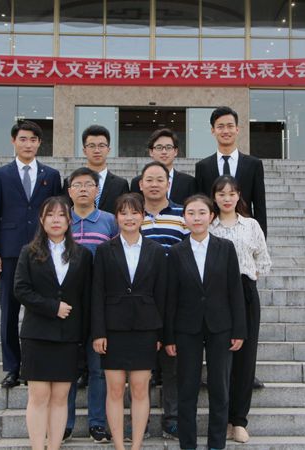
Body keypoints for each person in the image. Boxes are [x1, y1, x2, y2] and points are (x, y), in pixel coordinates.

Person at [165, 194, 246, 450]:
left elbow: (235, 290)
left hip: (220, 326)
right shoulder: (176, 252)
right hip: (186, 327)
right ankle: (188, 444)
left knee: (219, 387)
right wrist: (168, 336)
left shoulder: (225, 248)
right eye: (191, 213)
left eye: (202, 213)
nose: (197, 218)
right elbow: (170, 296)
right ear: (184, 218)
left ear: (211, 216)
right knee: (187, 387)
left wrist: (239, 329)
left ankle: (216, 444)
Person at [0, 120, 62, 389]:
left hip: (42, 251)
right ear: (13, 141)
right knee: (9, 311)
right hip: (9, 252)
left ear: (40, 143)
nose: (28, 144)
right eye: (23, 139)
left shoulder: (51, 175)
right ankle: (12, 367)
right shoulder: (0, 175)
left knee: (39, 310)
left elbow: (57, 212)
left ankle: (34, 366)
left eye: (33, 139)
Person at [14, 196, 93, 450]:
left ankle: (55, 446)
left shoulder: (82, 255)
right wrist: (52, 307)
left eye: (61, 215)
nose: (56, 220)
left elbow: (86, 297)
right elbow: (21, 290)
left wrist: (84, 336)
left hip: (68, 336)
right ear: (41, 219)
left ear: (69, 221)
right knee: (38, 396)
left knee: (61, 397)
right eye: (50, 215)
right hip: (37, 334)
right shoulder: (29, 252)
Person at [92, 193, 167, 450]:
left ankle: (136, 445)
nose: (129, 218)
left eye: (134, 212)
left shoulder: (156, 250)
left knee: (139, 389)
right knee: (114, 389)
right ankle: (118, 445)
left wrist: (161, 334)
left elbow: (162, 295)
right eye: (123, 213)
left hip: (146, 328)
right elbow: (97, 293)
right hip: (113, 329)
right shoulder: (104, 250)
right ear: (116, 218)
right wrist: (98, 332)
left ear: (143, 216)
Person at [209, 175, 272, 444]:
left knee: (245, 359)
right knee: (220, 361)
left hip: (245, 292)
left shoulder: (251, 225)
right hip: (216, 294)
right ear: (214, 197)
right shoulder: (208, 225)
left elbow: (264, 261)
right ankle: (222, 420)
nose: (227, 198)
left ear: (238, 196)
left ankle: (239, 420)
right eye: (221, 194)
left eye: (231, 193)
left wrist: (250, 276)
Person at [63, 167, 118, 443]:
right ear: (69, 191)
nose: (83, 189)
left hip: (101, 304)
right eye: (77, 185)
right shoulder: (61, 220)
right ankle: (65, 423)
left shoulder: (109, 221)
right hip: (68, 305)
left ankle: (97, 423)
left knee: (98, 368)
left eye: (88, 184)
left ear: (97, 190)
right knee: (68, 368)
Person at [138, 160, 189, 439]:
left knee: (172, 360)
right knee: (141, 365)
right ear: (140, 184)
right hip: (141, 298)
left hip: (175, 298)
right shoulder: (133, 214)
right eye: (150, 180)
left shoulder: (182, 214)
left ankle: (173, 419)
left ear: (168, 184)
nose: (155, 184)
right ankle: (141, 421)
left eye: (160, 180)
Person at [195, 106, 268, 239]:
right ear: (213, 130)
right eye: (220, 127)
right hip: (212, 233)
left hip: (245, 234)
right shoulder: (203, 167)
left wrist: (260, 238)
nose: (226, 131)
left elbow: (260, 207)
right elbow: (201, 203)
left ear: (237, 129)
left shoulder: (254, 164)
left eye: (230, 126)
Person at [67, 124, 129, 214]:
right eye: (92, 146)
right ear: (84, 150)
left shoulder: (121, 184)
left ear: (108, 150)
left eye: (101, 146)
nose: (97, 150)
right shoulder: (70, 182)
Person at [130, 128, 196, 205]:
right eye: (159, 147)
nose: (164, 152)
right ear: (151, 152)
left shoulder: (188, 182)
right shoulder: (137, 182)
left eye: (168, 147)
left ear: (176, 151)